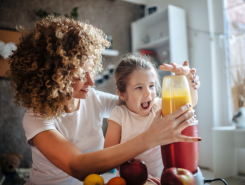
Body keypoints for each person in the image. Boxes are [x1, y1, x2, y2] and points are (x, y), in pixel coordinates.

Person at [8, 15, 201, 185]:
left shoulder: (93, 98)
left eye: (91, 71)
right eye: (81, 75)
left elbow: (138, 102)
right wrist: (150, 137)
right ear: (56, 77)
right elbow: (77, 167)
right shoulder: (36, 118)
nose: (91, 82)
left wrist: (187, 83)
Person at [104, 54, 199, 180]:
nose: (148, 92)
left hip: (161, 179)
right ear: (122, 94)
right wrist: (141, 176)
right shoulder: (119, 114)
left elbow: (190, 102)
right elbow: (109, 156)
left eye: (151, 86)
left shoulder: (159, 106)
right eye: (139, 87)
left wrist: (187, 79)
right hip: (130, 181)